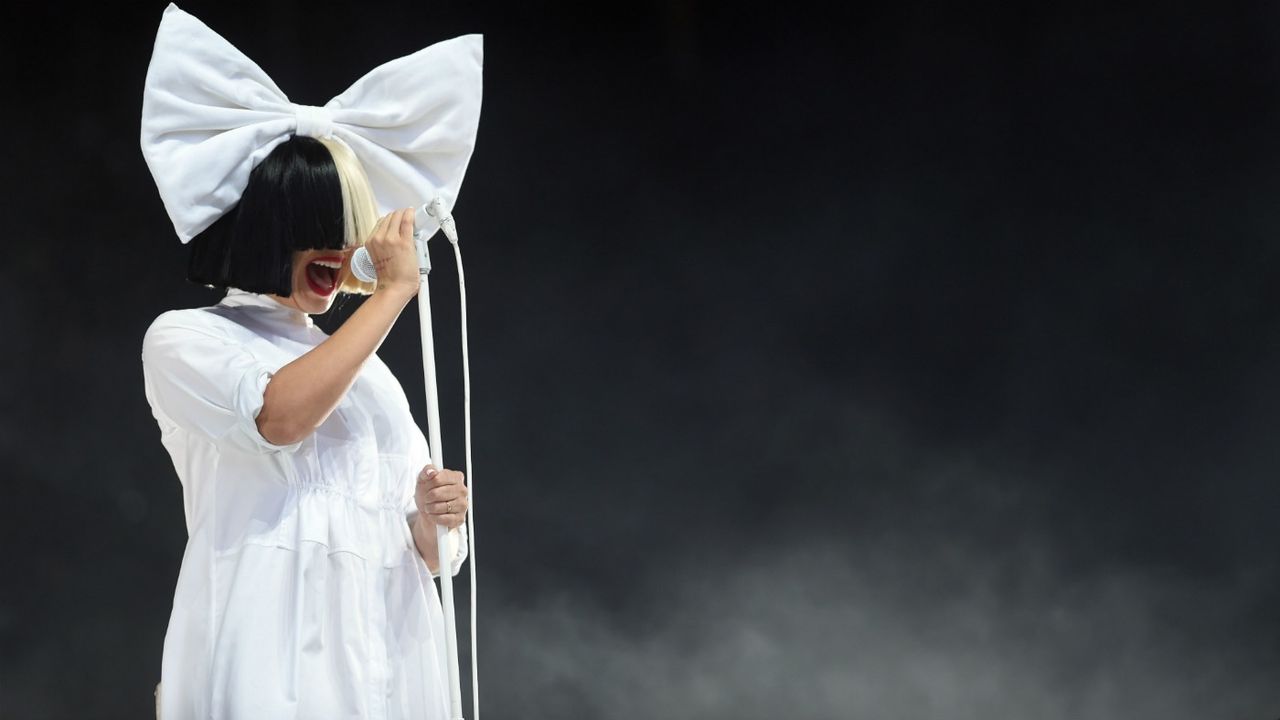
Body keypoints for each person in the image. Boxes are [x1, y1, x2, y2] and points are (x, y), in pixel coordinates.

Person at [142, 121, 471, 719]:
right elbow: (278, 419)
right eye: (317, 229)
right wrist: (390, 295)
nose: (340, 249)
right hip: (274, 652)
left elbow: (425, 550)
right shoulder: (188, 338)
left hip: (388, 660)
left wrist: (432, 519)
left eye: (347, 231)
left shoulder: (374, 380)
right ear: (268, 229)